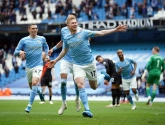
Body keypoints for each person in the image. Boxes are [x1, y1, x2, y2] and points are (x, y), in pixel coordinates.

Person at [48, 14, 127, 118]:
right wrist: (56, 60)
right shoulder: (66, 37)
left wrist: (115, 30)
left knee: (94, 87)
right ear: (68, 25)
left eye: (76, 22)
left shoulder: (84, 32)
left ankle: (103, 75)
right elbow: (64, 50)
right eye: (73, 23)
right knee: (80, 84)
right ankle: (87, 110)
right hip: (77, 65)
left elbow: (100, 33)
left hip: (89, 64)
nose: (75, 24)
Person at [48, 13, 82, 115]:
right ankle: (63, 104)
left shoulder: (80, 30)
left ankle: (77, 99)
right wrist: (53, 49)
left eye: (72, 18)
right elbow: (62, 42)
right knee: (63, 82)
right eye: (69, 18)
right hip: (65, 59)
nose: (70, 20)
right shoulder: (63, 30)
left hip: (76, 60)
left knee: (77, 82)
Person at [14, 23, 49, 113]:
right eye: (33, 28)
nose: (35, 30)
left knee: (34, 83)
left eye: (36, 28)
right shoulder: (24, 40)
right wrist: (20, 52)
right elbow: (15, 52)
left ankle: (29, 105)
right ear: (28, 29)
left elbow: (46, 46)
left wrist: (47, 54)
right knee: (32, 87)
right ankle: (39, 91)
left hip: (39, 65)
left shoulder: (41, 39)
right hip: (29, 66)